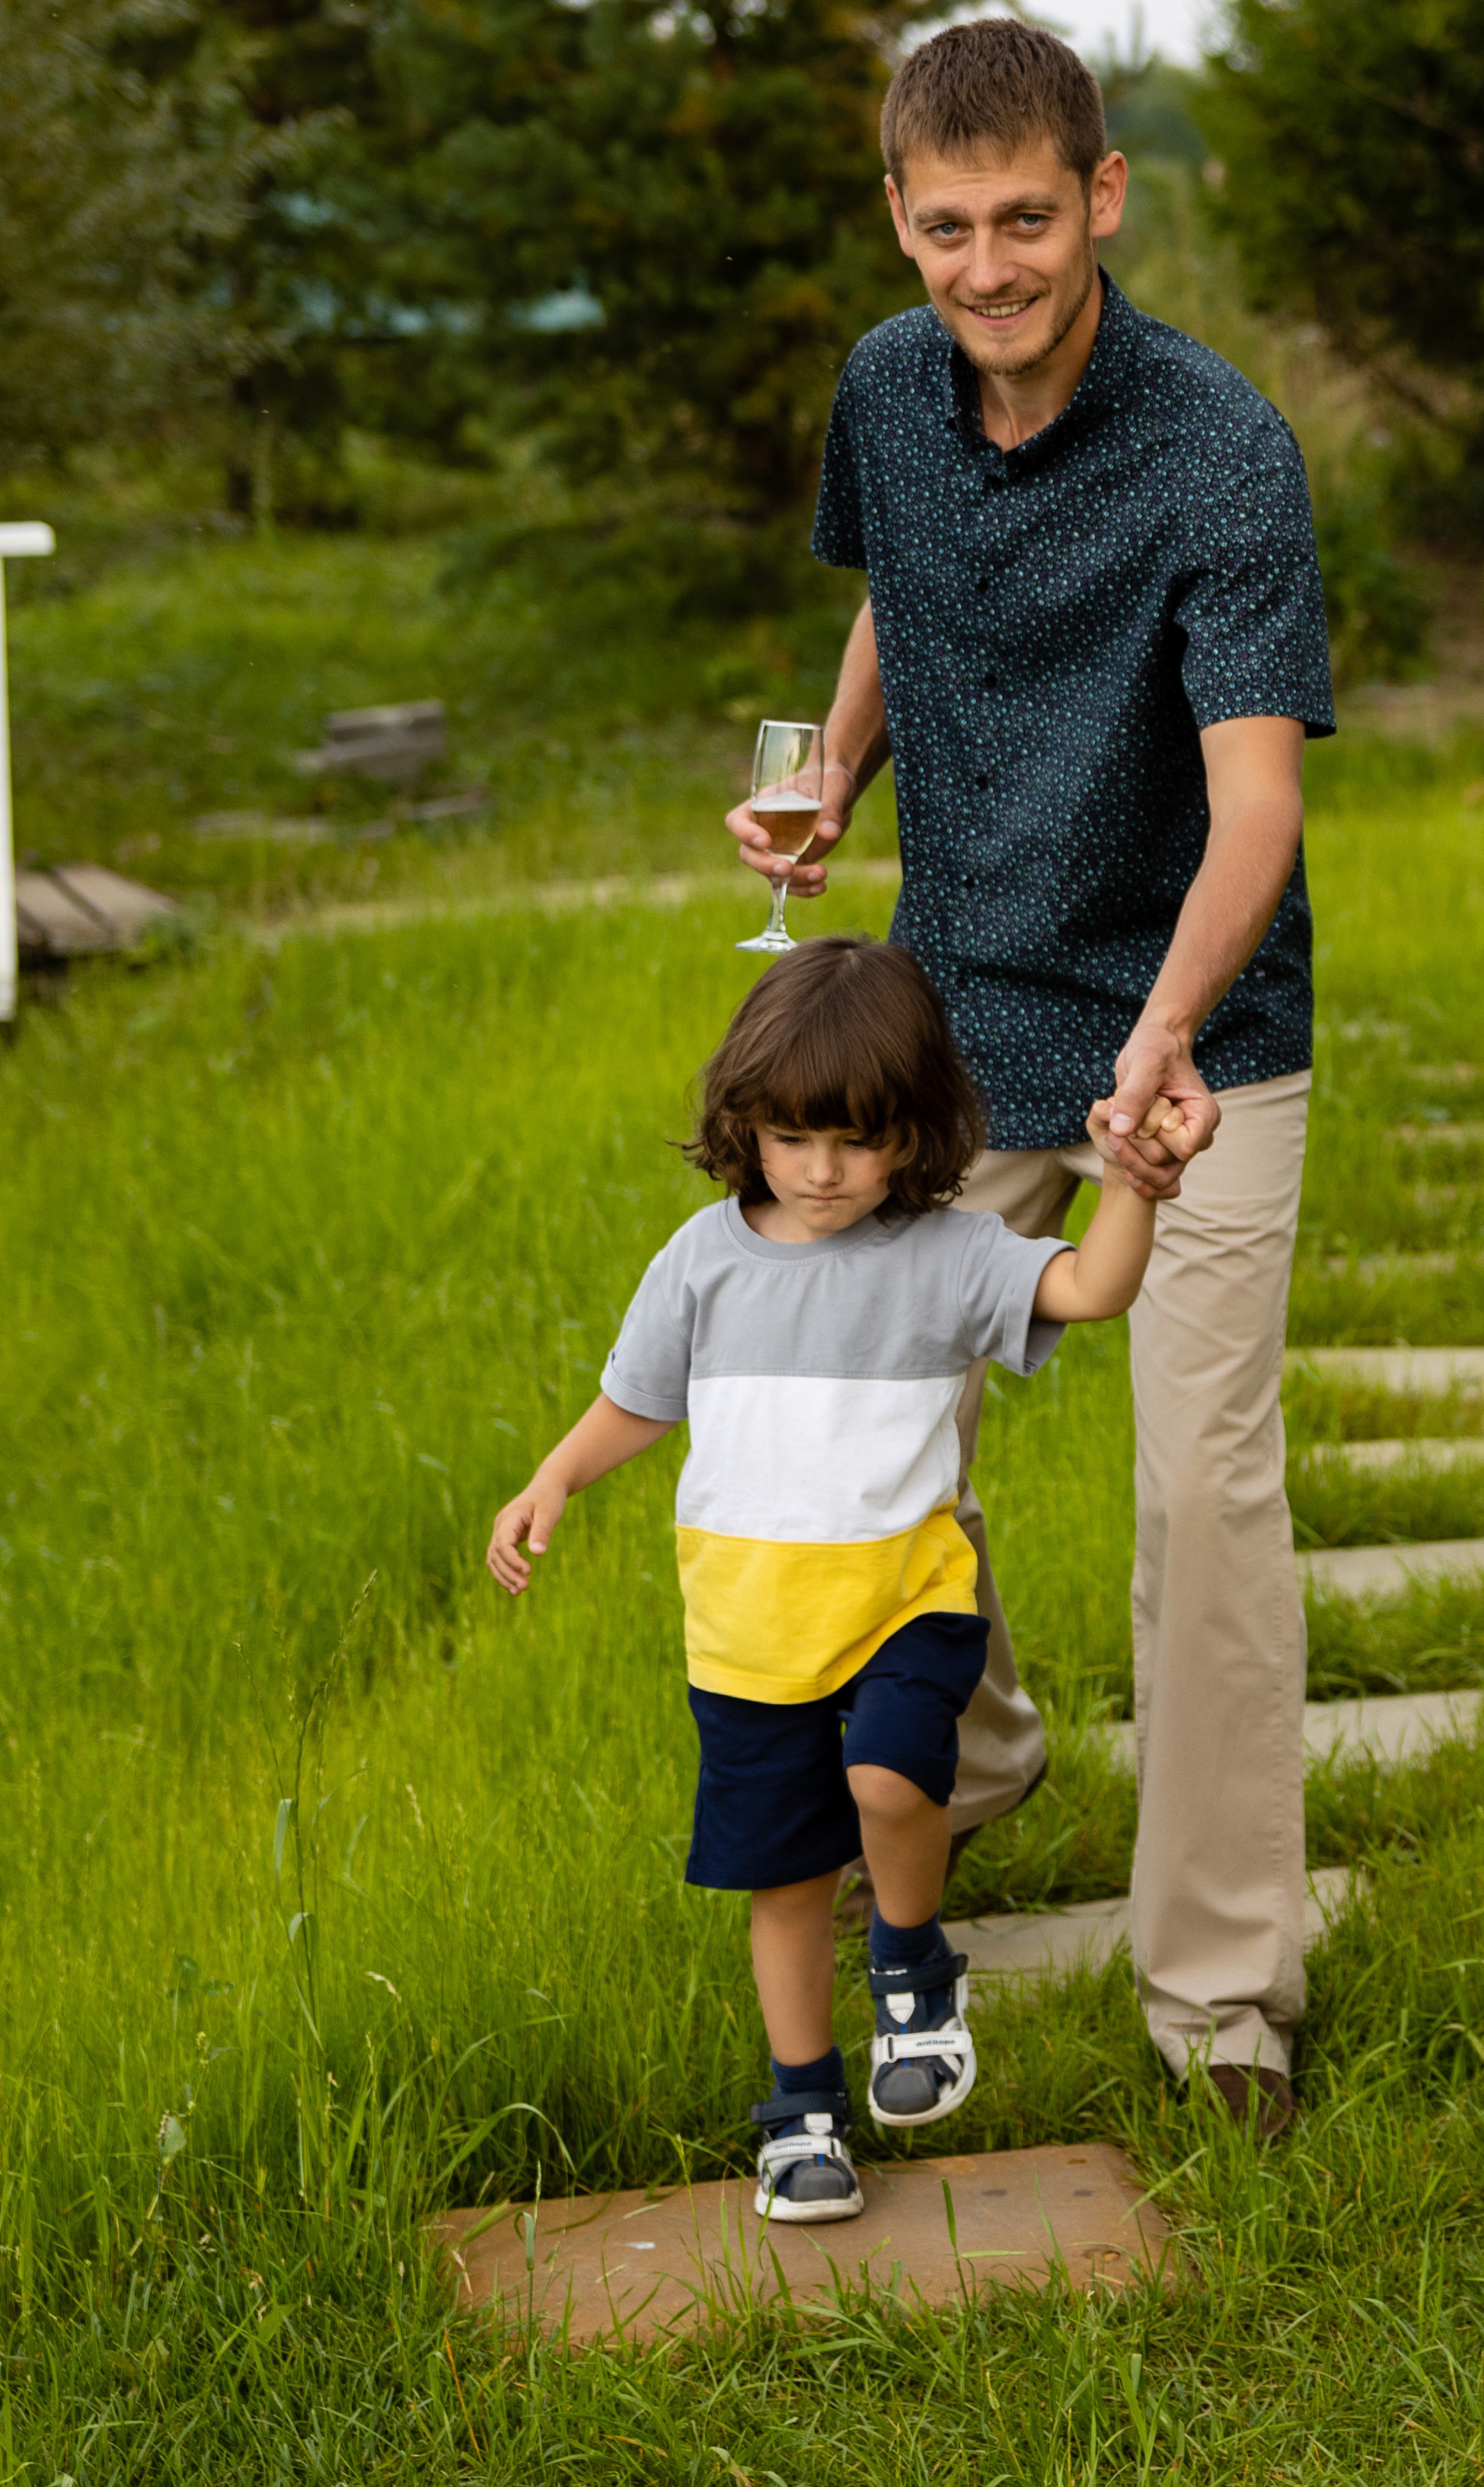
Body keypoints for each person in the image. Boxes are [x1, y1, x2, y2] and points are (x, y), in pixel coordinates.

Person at [726, 20, 1337, 2135]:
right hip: (952, 1023)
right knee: (876, 1434)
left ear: (1104, 197)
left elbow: (1254, 801)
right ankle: (970, 1753)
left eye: (1024, 217)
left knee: (1205, 1490)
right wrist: (831, 782)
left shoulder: (1222, 446)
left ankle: (1224, 1992)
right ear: (901, 214)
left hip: (1203, 1033)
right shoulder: (890, 387)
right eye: (945, 224)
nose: (985, 264)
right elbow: (903, 589)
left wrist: (1165, 1030)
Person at [486, 936, 1183, 2221]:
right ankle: (801, 2109)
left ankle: (912, 1966)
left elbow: (1092, 1284)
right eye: (792, 1137)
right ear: (743, 1122)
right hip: (748, 1631)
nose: (820, 1171)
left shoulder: (951, 1250)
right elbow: (636, 1400)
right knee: (786, 1877)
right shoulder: (702, 1258)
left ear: (915, 1134)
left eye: (856, 1143)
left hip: (904, 1598)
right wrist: (554, 1480)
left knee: (887, 1777)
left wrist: (1136, 1181)